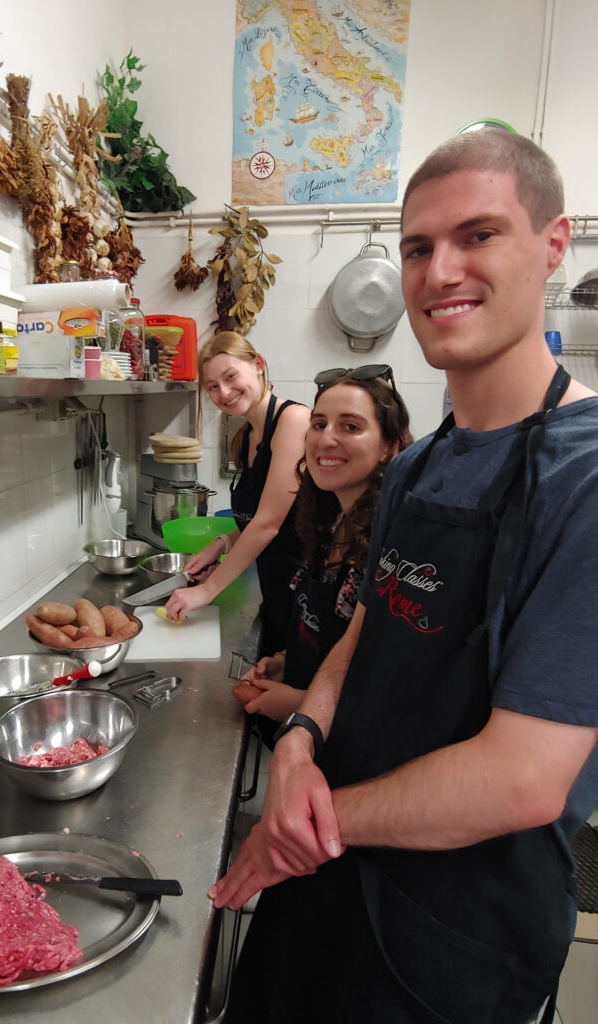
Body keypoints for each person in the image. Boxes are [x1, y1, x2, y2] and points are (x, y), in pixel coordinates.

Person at [210, 128, 598, 1024]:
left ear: (553, 244)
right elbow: (365, 633)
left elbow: (523, 779)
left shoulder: (585, 478)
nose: (438, 270)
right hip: (329, 881)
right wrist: (302, 736)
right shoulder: (421, 465)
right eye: (419, 246)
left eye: (478, 235)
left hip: (459, 937)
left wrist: (306, 822)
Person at [233, 365, 412, 727]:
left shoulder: (395, 547)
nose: (326, 439)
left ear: (388, 448)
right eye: (318, 424)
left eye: (350, 426)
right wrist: (289, 661)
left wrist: (301, 702)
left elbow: (401, 689)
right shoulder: (330, 523)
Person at [165, 332, 310, 656]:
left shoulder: (293, 420)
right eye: (213, 386)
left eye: (230, 377)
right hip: (276, 590)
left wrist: (207, 590)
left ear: (258, 365)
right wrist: (222, 544)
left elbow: (269, 523)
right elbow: (259, 517)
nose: (224, 392)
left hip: (307, 596)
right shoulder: (245, 436)